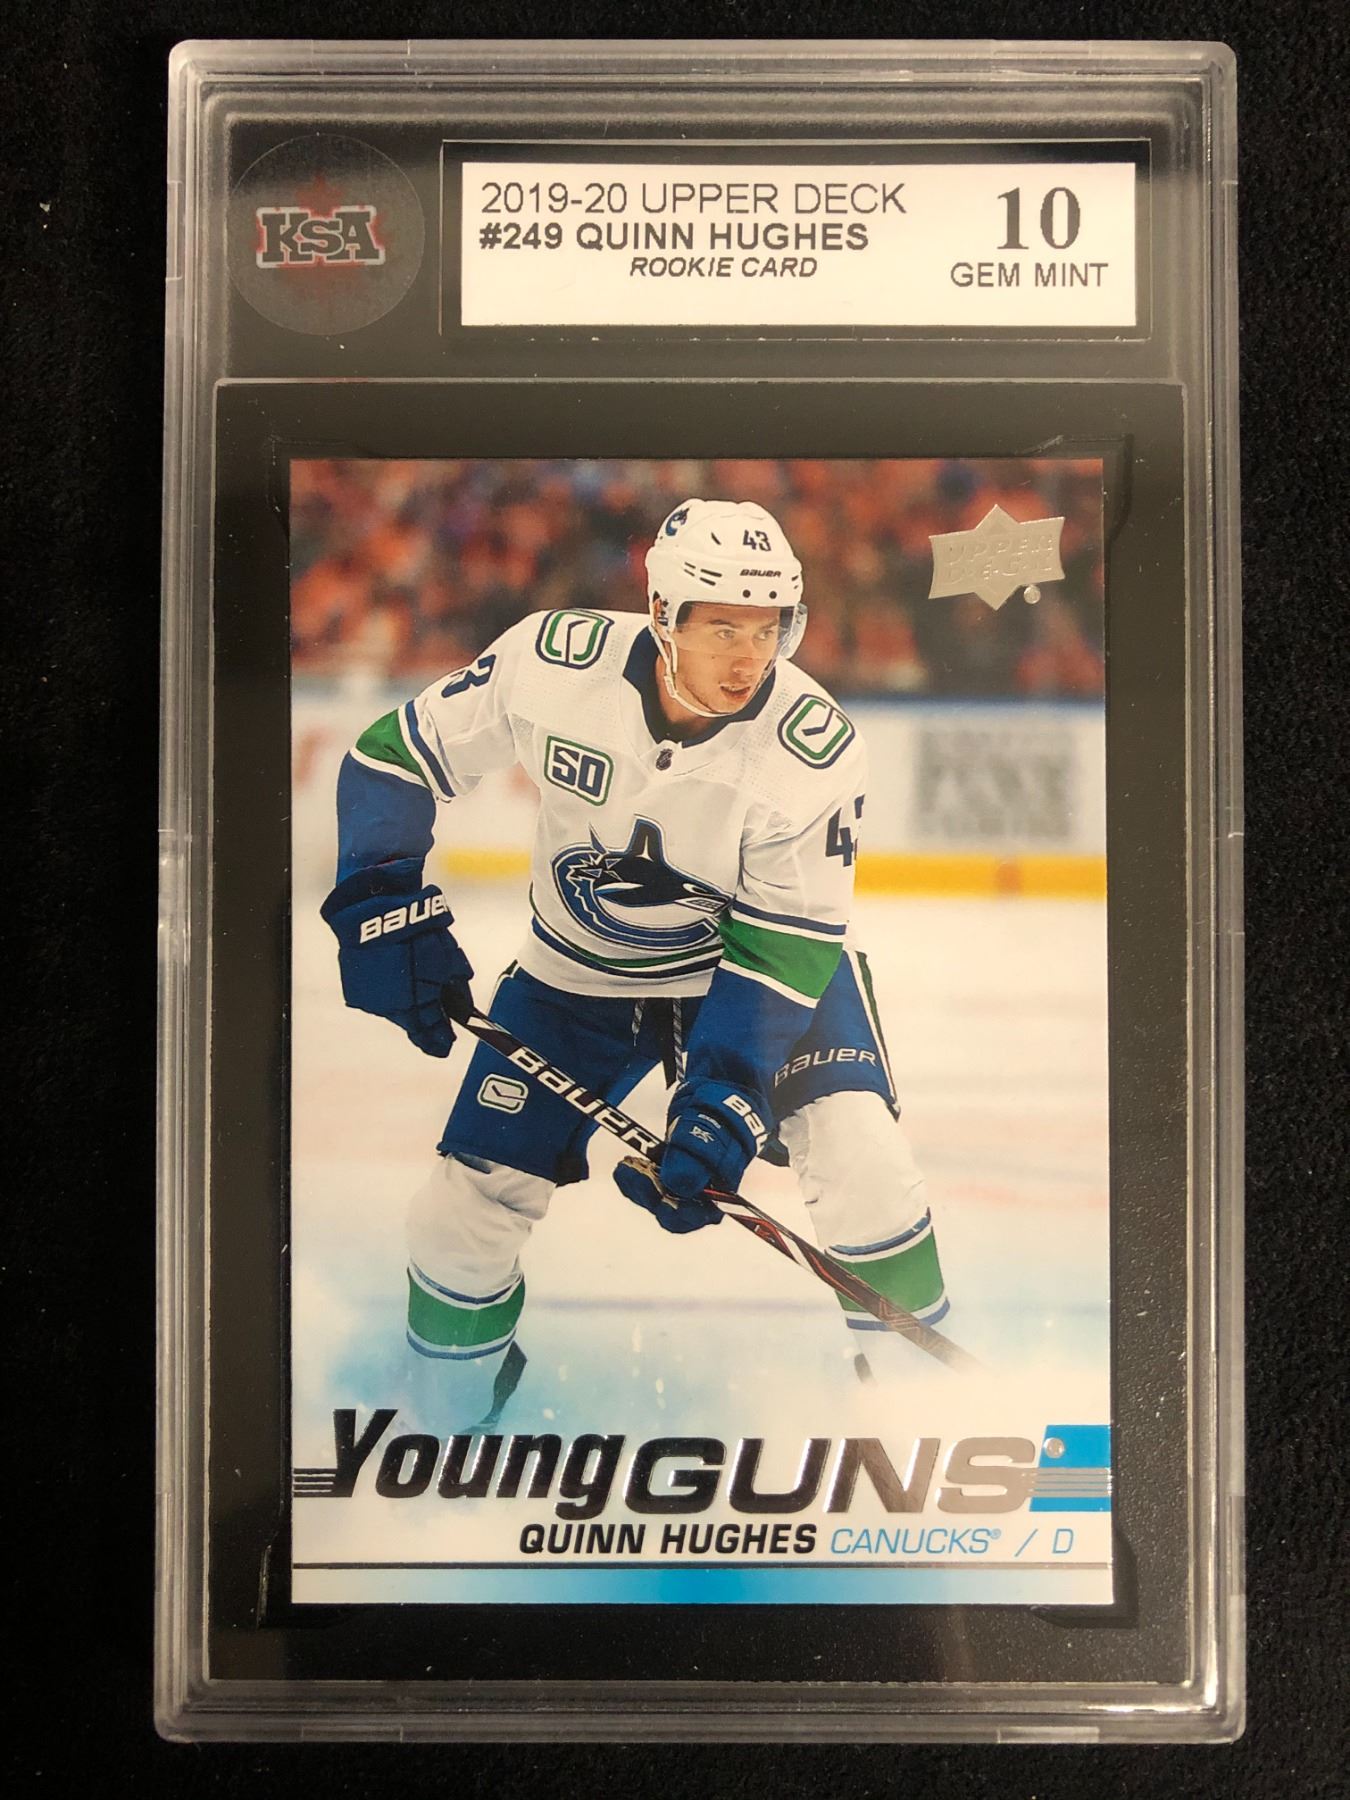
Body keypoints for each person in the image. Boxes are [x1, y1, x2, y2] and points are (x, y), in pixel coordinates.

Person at [322, 498, 948, 1426]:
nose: (750, 658)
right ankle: (445, 1416)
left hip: (756, 977)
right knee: (463, 1212)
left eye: (769, 628)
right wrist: (379, 904)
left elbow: (784, 951)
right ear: (663, 613)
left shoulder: (810, 750)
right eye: (724, 628)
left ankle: (930, 1410)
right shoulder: (553, 663)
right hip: (574, 980)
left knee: (864, 1159)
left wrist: (723, 1102)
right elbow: (395, 757)